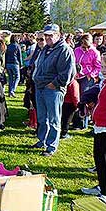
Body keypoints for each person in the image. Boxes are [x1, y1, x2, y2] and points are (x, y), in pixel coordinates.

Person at [32, 24, 76, 156]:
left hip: (53, 89)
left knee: (54, 119)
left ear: (58, 35)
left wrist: (54, 84)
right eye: (46, 35)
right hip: (40, 87)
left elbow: (67, 73)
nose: (48, 37)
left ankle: (51, 146)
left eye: (51, 35)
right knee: (42, 117)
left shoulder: (64, 50)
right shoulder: (45, 49)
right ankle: (42, 141)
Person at [81, 52, 106, 207]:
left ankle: (105, 195)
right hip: (100, 126)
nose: (103, 70)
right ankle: (101, 187)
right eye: (102, 66)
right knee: (100, 160)